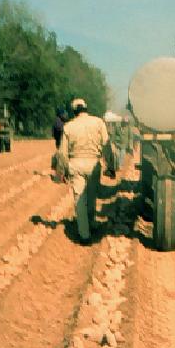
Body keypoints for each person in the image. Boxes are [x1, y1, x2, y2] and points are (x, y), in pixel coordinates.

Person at [56, 98, 113, 241]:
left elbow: (62, 153)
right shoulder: (99, 122)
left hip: (76, 164)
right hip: (94, 163)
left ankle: (84, 234)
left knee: (79, 199)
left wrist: (61, 171)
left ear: (74, 111)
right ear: (86, 108)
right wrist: (110, 166)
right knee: (92, 195)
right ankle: (92, 223)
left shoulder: (68, 126)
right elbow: (107, 145)